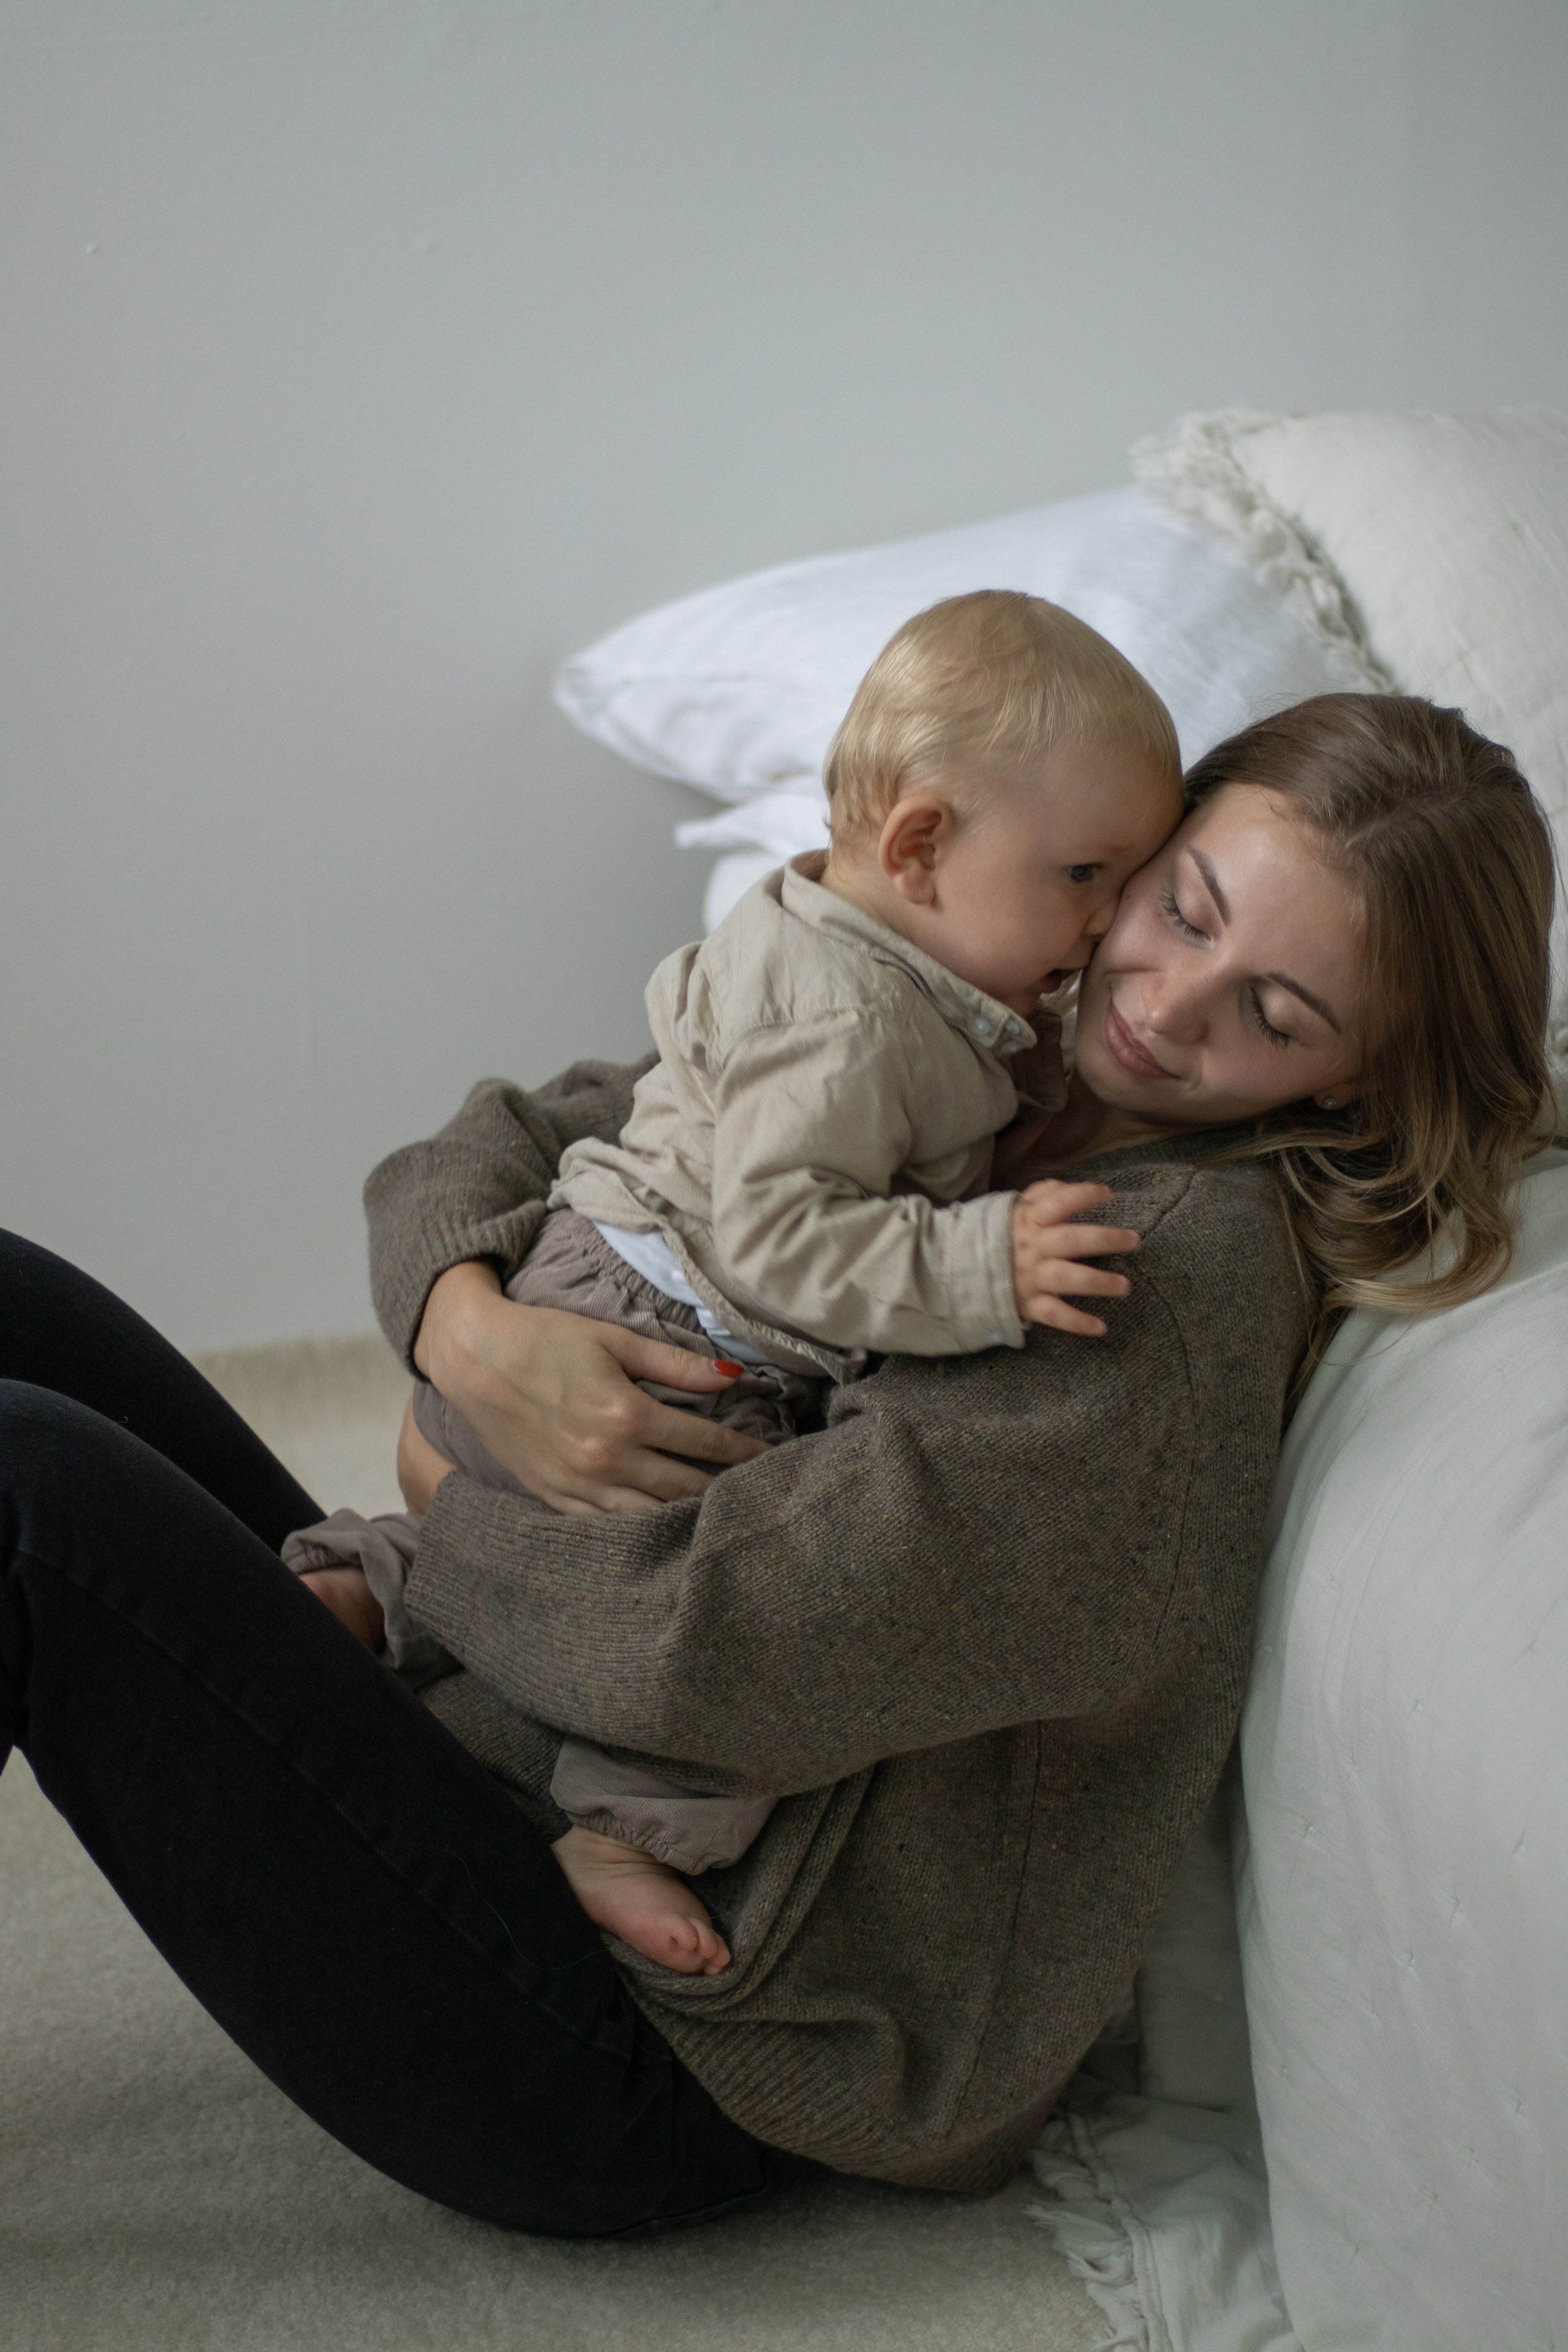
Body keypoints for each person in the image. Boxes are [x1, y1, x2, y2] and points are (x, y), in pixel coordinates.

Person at [0, 693, 1551, 2237]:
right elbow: (507, 1138)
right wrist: (467, 1336)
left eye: (1275, 1015)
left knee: (27, 1496)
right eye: (1179, 907)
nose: (1170, 1000)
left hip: (663, 2040)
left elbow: (729, 1651)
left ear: (1351, 1077)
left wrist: (438, 1490)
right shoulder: (982, 1019)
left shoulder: (1156, 1285)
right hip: (490, 1721)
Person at [288, 589, 1185, 1977]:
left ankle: (371, 1585)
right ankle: (626, 1831)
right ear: (920, 843)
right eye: (1087, 878)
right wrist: (977, 1266)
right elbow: (780, 1241)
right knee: (752, 1631)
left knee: (614, 1564)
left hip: (595, 1274)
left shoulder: (864, 955)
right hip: (676, 1333)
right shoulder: (847, 1020)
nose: (1108, 924)